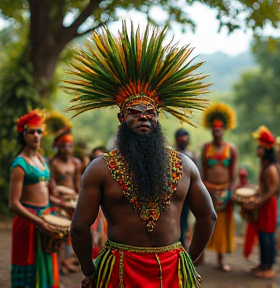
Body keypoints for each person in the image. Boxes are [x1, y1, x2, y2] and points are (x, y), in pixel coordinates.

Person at [66, 21, 217, 288]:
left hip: (173, 269)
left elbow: (209, 216)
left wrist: (189, 263)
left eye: (150, 113)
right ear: (121, 117)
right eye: (135, 112)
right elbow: (79, 226)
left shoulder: (184, 165)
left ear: (158, 120)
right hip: (120, 270)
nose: (144, 117)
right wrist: (91, 271)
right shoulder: (101, 168)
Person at [9, 109, 60, 288]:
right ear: (23, 135)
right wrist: (39, 221)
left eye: (39, 131)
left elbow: (47, 190)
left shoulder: (41, 159)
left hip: (44, 215)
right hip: (28, 220)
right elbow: (14, 204)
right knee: (29, 266)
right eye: (31, 131)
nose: (36, 135)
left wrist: (61, 200)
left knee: (47, 263)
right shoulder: (20, 164)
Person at [200, 102, 238, 271]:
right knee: (204, 221)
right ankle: (199, 256)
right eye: (214, 127)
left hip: (225, 192)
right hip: (208, 190)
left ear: (224, 129)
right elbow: (202, 172)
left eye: (220, 127)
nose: (217, 130)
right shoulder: (205, 148)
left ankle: (221, 259)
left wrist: (232, 191)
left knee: (222, 226)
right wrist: (204, 190)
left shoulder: (231, 149)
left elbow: (234, 174)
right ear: (211, 129)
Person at [45, 110, 82, 274]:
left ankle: (66, 260)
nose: (68, 149)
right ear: (58, 147)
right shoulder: (52, 163)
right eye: (65, 145)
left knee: (71, 234)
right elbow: (50, 187)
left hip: (73, 201)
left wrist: (79, 199)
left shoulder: (76, 163)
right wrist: (58, 200)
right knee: (59, 233)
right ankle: (58, 263)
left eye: (70, 145)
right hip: (58, 202)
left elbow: (78, 185)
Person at [243, 126, 279, 279]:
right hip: (265, 204)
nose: (257, 150)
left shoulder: (270, 168)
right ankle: (263, 264)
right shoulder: (265, 165)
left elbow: (272, 190)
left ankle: (268, 267)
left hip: (268, 205)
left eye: (259, 147)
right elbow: (265, 187)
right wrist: (253, 188)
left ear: (266, 149)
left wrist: (257, 202)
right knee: (263, 235)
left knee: (267, 236)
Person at [174, 128, 197, 248]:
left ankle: (183, 241)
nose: (183, 141)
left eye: (185, 139)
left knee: (184, 218)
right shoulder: (171, 155)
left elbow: (196, 178)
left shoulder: (191, 156)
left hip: (186, 195)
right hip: (173, 193)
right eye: (181, 139)